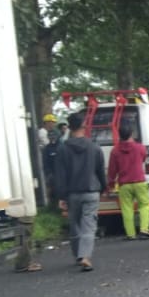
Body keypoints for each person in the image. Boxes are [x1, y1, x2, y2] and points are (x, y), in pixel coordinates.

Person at [53, 111, 107, 272]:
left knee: (74, 224)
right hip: (91, 190)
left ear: (69, 127)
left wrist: (61, 196)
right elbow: (100, 171)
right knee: (89, 225)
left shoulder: (62, 149)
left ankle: (78, 254)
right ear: (84, 125)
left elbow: (60, 175)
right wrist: (103, 187)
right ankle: (85, 256)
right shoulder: (94, 147)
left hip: (72, 193)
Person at [107, 120, 149, 240]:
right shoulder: (140, 148)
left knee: (127, 208)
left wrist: (111, 184)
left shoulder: (115, 151)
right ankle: (144, 229)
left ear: (119, 134)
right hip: (139, 180)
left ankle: (130, 234)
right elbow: (144, 158)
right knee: (144, 205)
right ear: (131, 133)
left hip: (124, 184)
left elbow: (112, 170)